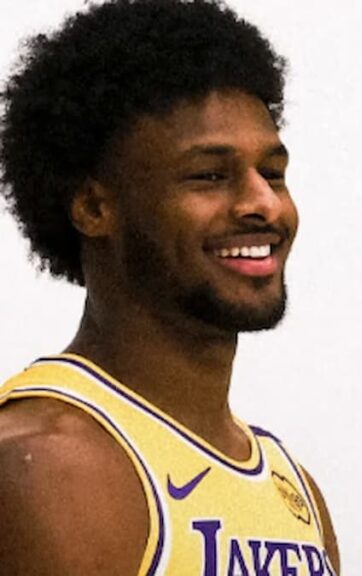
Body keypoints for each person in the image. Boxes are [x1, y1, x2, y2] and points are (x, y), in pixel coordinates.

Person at [0, 1, 340, 574]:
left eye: (273, 173)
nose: (263, 203)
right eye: (209, 175)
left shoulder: (294, 489)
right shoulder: (46, 465)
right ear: (92, 206)